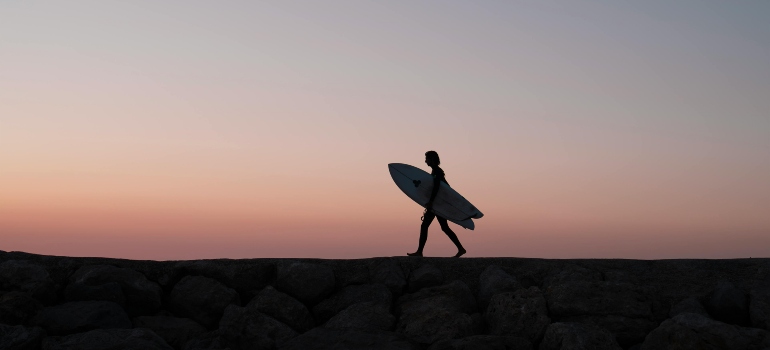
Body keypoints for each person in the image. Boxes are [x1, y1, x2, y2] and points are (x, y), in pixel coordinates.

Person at [408, 151, 467, 258]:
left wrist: (431, 202)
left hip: (436, 204)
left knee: (425, 226)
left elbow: (437, 188)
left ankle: (419, 252)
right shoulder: (436, 171)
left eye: (427, 158)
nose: (425, 161)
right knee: (444, 227)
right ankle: (461, 248)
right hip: (439, 203)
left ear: (432, 159)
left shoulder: (437, 172)